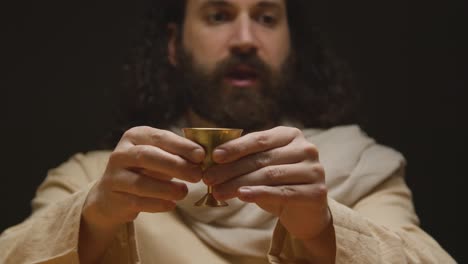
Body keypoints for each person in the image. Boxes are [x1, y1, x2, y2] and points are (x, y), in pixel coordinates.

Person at [0, 1, 455, 263]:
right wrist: (93, 219)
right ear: (175, 45)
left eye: (267, 17)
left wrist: (322, 228)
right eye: (218, 15)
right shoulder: (96, 177)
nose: (244, 39)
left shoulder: (361, 169)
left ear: (291, 46)